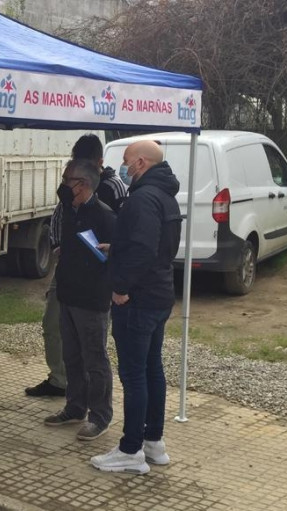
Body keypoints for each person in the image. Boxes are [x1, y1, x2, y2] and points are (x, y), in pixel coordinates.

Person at [91, 140, 182, 474]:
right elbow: (156, 245)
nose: (124, 167)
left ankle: (130, 451)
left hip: (139, 300)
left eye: (127, 161)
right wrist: (118, 247)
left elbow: (144, 250)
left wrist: (121, 287)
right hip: (159, 295)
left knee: (134, 374)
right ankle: (152, 442)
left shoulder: (143, 198)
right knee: (151, 369)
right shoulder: (164, 195)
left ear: (142, 162)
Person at [25, 133, 127, 398]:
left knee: (92, 344)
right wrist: (59, 244)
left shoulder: (111, 189)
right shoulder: (70, 192)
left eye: (82, 167)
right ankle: (62, 383)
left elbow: (120, 232)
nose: (71, 177)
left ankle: (97, 406)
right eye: (73, 165)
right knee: (55, 326)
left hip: (94, 277)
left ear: (98, 163)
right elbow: (61, 215)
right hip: (67, 270)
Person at [42, 159, 116, 441]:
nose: (62, 185)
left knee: (94, 359)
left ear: (82, 184)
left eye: (66, 180)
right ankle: (75, 407)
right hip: (68, 295)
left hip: (92, 300)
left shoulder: (105, 216)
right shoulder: (71, 211)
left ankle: (100, 416)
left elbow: (113, 259)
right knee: (71, 356)